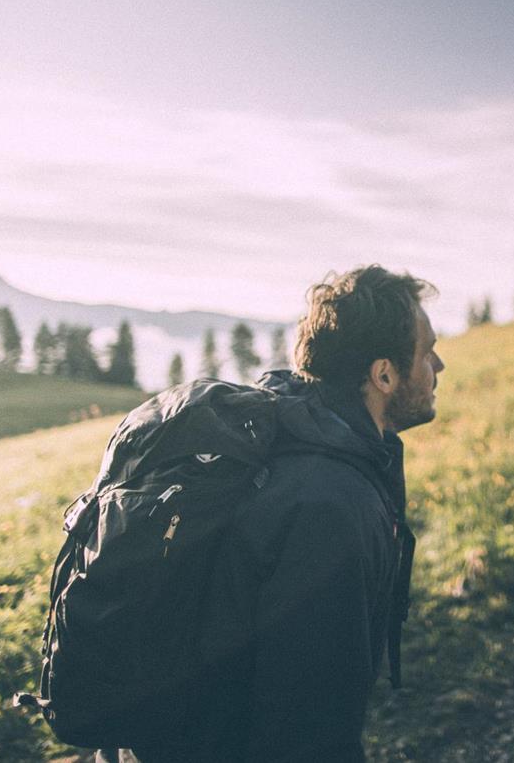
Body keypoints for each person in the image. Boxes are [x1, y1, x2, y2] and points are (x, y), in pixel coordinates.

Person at [98, 264, 444, 762]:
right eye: (426, 349)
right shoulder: (331, 505)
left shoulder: (287, 435)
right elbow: (309, 723)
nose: (439, 364)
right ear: (383, 374)